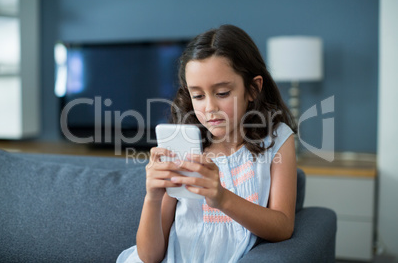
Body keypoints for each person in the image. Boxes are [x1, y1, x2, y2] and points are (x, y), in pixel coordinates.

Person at [117, 24, 297, 263]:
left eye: (222, 93)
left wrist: (221, 198)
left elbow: (283, 227)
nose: (210, 108)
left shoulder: (276, 139)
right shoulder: (181, 145)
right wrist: (152, 197)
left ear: (253, 88)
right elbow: (149, 257)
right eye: (198, 96)